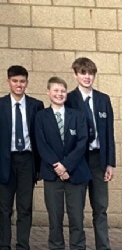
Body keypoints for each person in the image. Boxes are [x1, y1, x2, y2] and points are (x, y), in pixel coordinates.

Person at [0, 65, 44, 250]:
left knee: (25, 206)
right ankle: (3, 245)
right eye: (15, 81)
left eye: (22, 81)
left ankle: (23, 244)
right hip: (6, 159)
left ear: (27, 83)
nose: (19, 85)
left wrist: (39, 167)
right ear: (8, 82)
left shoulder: (36, 105)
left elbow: (39, 138)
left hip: (28, 160)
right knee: (5, 208)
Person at [64, 57, 115, 250]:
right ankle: (78, 246)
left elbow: (109, 133)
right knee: (76, 210)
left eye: (90, 73)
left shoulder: (103, 99)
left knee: (101, 208)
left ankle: (104, 246)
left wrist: (110, 162)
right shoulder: (69, 99)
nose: (87, 77)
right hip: (78, 161)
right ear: (75, 74)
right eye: (83, 73)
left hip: (98, 160)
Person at [35, 77, 91, 250]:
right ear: (48, 92)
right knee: (55, 218)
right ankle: (56, 246)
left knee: (76, 218)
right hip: (52, 175)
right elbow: (41, 144)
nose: (59, 94)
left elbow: (82, 142)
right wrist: (57, 166)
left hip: (76, 174)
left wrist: (66, 166)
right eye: (56, 90)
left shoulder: (78, 116)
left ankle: (78, 247)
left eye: (62, 91)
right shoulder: (41, 117)